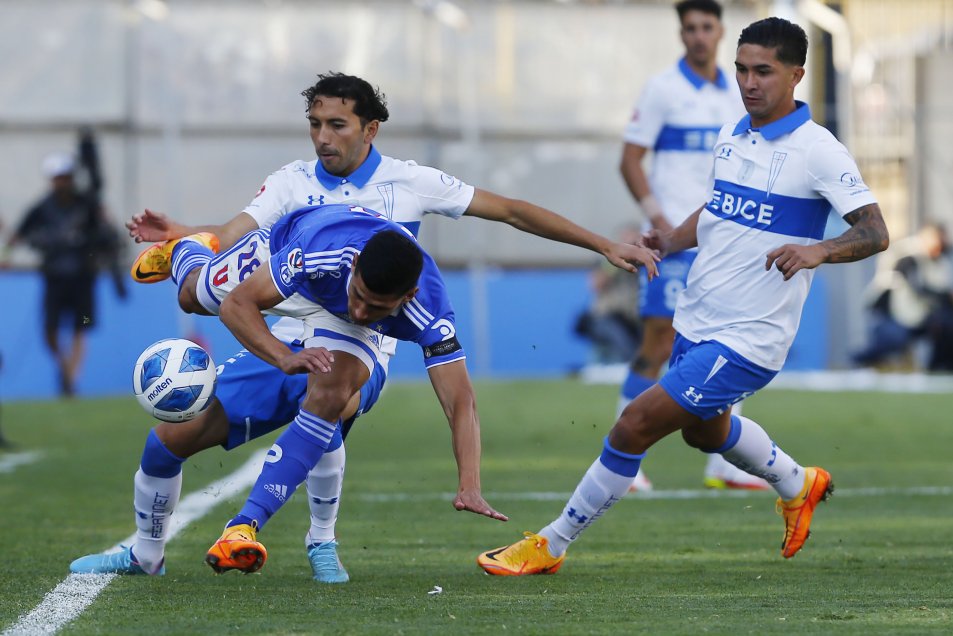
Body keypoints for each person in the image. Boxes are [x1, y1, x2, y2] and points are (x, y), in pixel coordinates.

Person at [70, 73, 659, 582]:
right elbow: (232, 238)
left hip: (364, 332)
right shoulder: (292, 184)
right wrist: (188, 236)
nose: (323, 137)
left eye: (337, 125)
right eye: (315, 124)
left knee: (333, 391)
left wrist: (602, 244)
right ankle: (146, 553)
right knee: (175, 403)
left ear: (370, 129)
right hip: (289, 296)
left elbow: (509, 210)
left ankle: (294, 535)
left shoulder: (410, 185)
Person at [476, 16, 889, 576]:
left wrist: (819, 250)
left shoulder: (819, 150)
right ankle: (799, 483)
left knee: (633, 426)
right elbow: (718, 208)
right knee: (704, 432)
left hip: (750, 337)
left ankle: (550, 544)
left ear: (796, 74)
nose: (748, 82)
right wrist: (669, 240)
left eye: (763, 71)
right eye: (741, 69)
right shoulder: (732, 134)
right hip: (698, 317)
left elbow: (874, 232)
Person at [618, 0, 766, 491]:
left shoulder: (739, 91)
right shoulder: (663, 89)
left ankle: (724, 465)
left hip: (724, 241)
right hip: (673, 242)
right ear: (681, 34)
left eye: (707, 27)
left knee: (732, 339)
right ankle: (626, 455)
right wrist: (661, 221)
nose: (699, 35)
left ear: (721, 32)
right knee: (660, 341)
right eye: (690, 28)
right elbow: (630, 160)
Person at [3, 153, 101, 397]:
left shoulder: (86, 204)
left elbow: (101, 231)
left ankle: (72, 379)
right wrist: (6, 254)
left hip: (82, 279)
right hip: (54, 279)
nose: (63, 182)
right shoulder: (42, 208)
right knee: (50, 330)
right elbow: (18, 236)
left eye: (66, 177)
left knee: (82, 326)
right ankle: (65, 368)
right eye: (58, 177)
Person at [852, 222, 953, 370]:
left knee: (946, 324)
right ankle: (860, 361)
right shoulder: (907, 254)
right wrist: (944, 296)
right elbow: (917, 288)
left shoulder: (939, 259)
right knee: (894, 339)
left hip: (919, 313)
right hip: (891, 311)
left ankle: (938, 367)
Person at [574, 226, 642, 364]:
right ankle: (630, 365)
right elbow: (596, 285)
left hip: (633, 320)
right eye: (627, 242)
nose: (630, 246)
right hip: (605, 317)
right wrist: (618, 259)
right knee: (622, 341)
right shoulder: (607, 260)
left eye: (634, 242)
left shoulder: (643, 264)